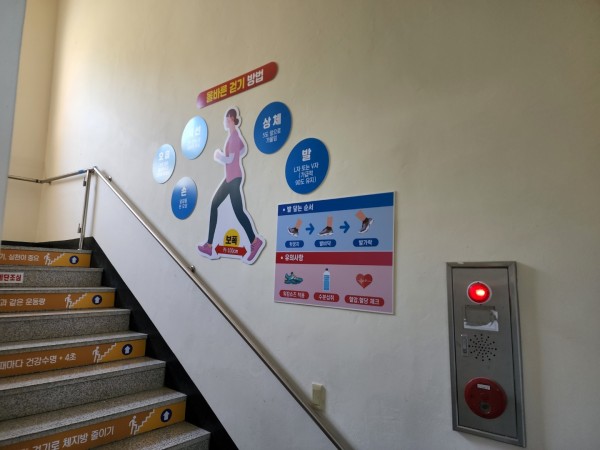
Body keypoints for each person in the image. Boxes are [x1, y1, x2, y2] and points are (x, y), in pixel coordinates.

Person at [198, 107, 265, 264]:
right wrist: (231, 159)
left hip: (233, 179)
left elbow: (230, 159)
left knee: (238, 212)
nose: (225, 122)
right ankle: (209, 245)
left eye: (226, 119)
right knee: (216, 205)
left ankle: (255, 242)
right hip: (230, 178)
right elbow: (242, 149)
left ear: (231, 120)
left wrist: (218, 155)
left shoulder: (234, 138)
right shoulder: (234, 137)